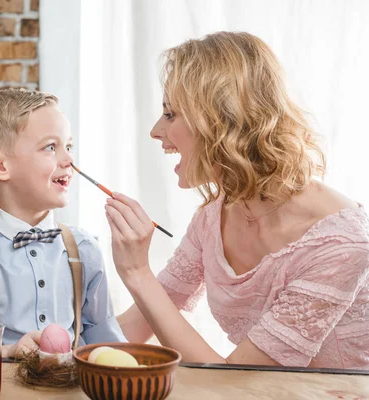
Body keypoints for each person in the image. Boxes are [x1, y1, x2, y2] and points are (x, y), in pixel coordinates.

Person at [106, 32, 369, 369]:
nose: (156, 131)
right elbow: (138, 323)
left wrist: (137, 272)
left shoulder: (341, 244)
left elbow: (237, 384)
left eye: (171, 114)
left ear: (223, 121)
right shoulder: (215, 217)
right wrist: (53, 352)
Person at [0, 89, 125, 358]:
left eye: (68, 146)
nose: (69, 160)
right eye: (50, 147)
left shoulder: (85, 250)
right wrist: (7, 351)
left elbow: (107, 349)